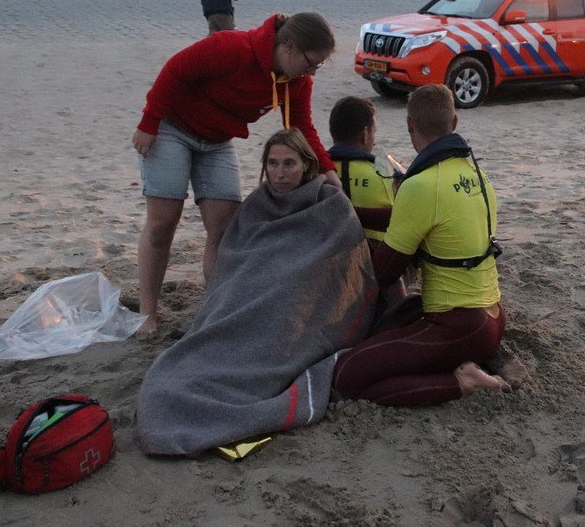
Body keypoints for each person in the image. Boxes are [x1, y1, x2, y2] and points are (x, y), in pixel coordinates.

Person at [137, 129, 378, 456]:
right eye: (273, 164)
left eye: (289, 164)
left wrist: (293, 281)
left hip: (297, 310)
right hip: (247, 303)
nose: (280, 173)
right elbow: (236, 261)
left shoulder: (332, 205)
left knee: (282, 323)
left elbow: (345, 269)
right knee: (170, 383)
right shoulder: (256, 205)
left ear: (307, 165)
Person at [131, 12, 342, 333]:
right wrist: (149, 122)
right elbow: (175, 70)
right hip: (171, 129)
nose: (313, 71)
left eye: (319, 66)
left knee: (224, 224)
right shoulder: (234, 48)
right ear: (288, 46)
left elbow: (301, 127)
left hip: (216, 140)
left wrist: (328, 172)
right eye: (312, 62)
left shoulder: (297, 82)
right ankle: (148, 313)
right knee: (163, 222)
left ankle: (217, 308)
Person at [332, 84, 509, 406]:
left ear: (409, 125)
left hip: (458, 325)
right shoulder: (479, 175)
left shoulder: (420, 186)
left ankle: (462, 381)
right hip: (493, 316)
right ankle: (472, 362)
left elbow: (383, 273)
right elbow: (422, 218)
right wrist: (354, 213)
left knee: (347, 376)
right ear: (454, 122)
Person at [327, 96, 396, 245]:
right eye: (374, 132)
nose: (374, 140)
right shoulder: (382, 174)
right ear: (365, 134)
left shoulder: (317, 171)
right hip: (370, 259)